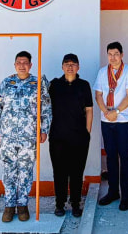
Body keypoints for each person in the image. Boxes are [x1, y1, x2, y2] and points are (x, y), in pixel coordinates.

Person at [0, 51, 52, 223]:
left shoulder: (37, 83)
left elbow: (46, 108)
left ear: (30, 65)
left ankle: (23, 205)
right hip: (8, 137)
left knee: (25, 171)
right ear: (15, 65)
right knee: (9, 171)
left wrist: (44, 129)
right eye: (19, 62)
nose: (22, 65)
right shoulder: (6, 83)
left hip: (28, 137)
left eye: (25, 62)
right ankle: (9, 205)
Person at [94, 41, 128, 211]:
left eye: (116, 54)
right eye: (110, 54)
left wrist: (116, 111)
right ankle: (113, 192)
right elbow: (98, 94)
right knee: (111, 157)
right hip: (107, 121)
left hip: (123, 120)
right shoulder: (102, 72)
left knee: (125, 157)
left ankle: (126, 196)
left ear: (122, 55)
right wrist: (106, 112)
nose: (113, 57)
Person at [48, 53, 93, 218]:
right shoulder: (54, 85)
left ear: (78, 67)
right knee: (59, 172)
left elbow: (89, 109)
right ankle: (59, 204)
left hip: (79, 137)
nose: (70, 66)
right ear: (62, 67)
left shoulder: (84, 85)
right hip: (58, 136)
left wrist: (87, 132)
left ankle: (75, 204)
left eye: (73, 64)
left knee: (76, 172)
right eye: (66, 63)